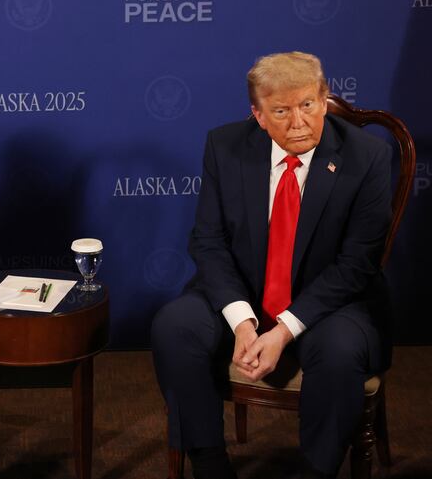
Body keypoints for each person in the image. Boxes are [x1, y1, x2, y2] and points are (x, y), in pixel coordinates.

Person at [151, 52, 392, 479]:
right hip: (245, 290)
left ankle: (315, 471)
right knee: (175, 326)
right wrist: (244, 323)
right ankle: (209, 464)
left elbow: (356, 265)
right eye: (281, 111)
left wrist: (283, 330)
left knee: (338, 353)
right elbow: (208, 241)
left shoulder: (367, 157)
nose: (299, 122)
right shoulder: (225, 146)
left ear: (324, 98)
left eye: (308, 105)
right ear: (258, 115)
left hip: (333, 303)